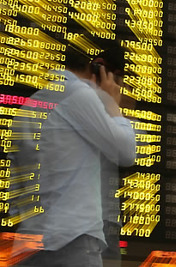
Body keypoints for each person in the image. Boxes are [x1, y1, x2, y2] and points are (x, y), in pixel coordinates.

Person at [8, 36, 136, 267]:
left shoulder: (30, 106)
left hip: (29, 244)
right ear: (98, 67)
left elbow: (16, 185)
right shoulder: (80, 95)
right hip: (73, 241)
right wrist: (112, 106)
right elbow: (126, 151)